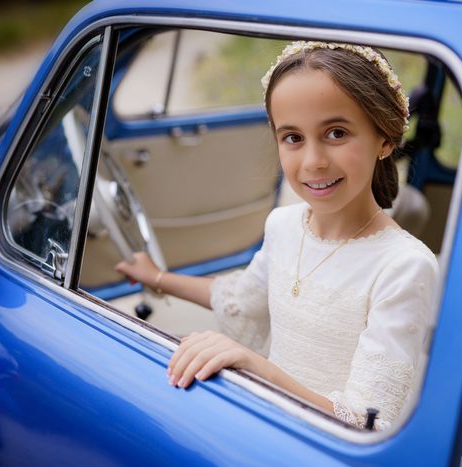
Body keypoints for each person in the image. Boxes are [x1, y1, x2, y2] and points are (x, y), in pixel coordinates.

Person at [115, 41, 439, 430]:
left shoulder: (404, 265)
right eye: (293, 138)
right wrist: (157, 279)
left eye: (336, 133)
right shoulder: (283, 225)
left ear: (384, 139)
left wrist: (255, 366)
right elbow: (240, 300)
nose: (313, 161)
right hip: (272, 419)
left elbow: (365, 423)